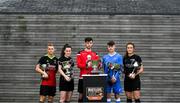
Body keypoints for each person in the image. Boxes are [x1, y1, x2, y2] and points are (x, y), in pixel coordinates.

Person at [76, 37, 100, 102]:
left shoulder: (95, 54)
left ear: (92, 44)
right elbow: (78, 65)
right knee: (81, 95)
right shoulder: (80, 53)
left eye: (90, 43)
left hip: (92, 77)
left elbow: (97, 65)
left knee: (92, 95)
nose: (89, 44)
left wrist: (100, 65)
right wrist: (86, 65)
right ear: (85, 43)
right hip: (82, 77)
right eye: (87, 43)